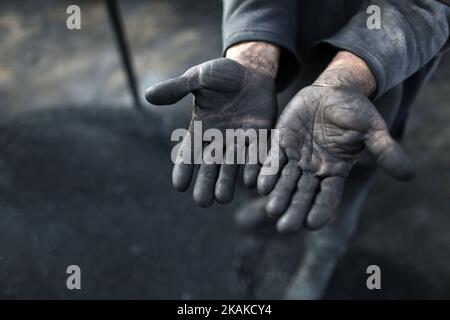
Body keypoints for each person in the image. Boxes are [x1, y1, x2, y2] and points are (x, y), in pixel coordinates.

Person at [145, 0, 450, 234]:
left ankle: (324, 254)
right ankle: (277, 200)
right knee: (285, 148)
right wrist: (253, 49)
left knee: (343, 165)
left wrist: (350, 74)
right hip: (288, 51)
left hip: (380, 68)